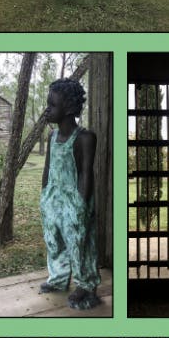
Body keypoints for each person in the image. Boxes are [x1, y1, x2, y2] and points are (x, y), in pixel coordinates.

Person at [39, 78, 101, 310]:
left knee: (79, 242)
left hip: (74, 201)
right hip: (53, 199)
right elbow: (47, 168)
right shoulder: (52, 137)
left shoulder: (85, 138)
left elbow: (86, 173)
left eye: (52, 105)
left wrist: (81, 206)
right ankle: (58, 278)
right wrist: (44, 195)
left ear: (68, 109)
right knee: (53, 240)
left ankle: (86, 284)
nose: (47, 109)